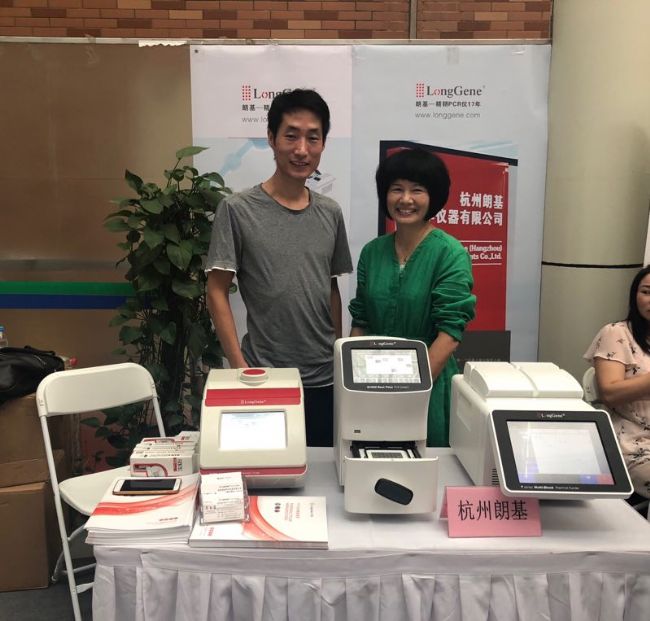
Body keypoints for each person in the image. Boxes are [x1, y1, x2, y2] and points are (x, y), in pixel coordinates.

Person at [205, 88, 353, 447]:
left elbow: (330, 287)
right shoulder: (238, 209)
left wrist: (336, 354)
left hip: (323, 380)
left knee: (323, 471)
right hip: (264, 377)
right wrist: (239, 366)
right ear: (271, 138)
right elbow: (216, 289)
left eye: (312, 138)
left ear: (322, 144)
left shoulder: (330, 212)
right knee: (266, 471)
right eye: (291, 136)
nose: (302, 149)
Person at [349, 148, 476, 446]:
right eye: (397, 189)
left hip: (428, 385)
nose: (405, 199)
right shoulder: (372, 252)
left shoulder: (450, 253)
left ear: (434, 196)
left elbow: (450, 333)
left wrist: (409, 391)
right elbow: (361, 321)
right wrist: (353, 381)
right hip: (371, 384)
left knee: (423, 461)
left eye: (417, 190)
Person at [584, 265, 650, 499]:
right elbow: (610, 393)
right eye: (646, 292)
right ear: (634, 296)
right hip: (635, 444)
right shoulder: (617, 333)